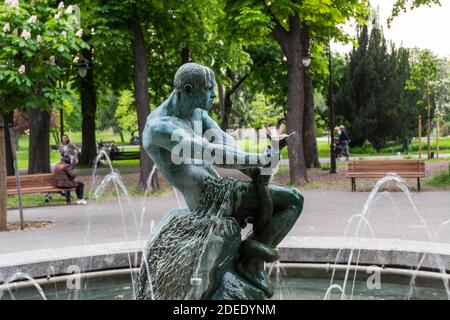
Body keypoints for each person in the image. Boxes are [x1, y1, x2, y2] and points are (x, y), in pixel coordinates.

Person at [142, 63, 303, 297]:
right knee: (292, 201)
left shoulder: (196, 113)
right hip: (207, 199)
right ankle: (251, 262)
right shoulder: (160, 127)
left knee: (285, 200)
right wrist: (258, 159)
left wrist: (259, 166)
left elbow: (224, 142)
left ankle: (252, 256)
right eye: (208, 89)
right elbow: (208, 151)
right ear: (188, 90)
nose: (213, 94)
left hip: (220, 188)